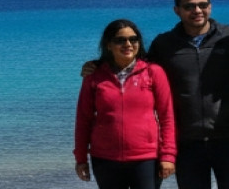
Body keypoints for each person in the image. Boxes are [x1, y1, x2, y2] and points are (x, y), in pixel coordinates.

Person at [147, 0, 229, 189]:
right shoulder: (164, 44)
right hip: (186, 142)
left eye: (202, 5)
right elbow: (141, 75)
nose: (197, 11)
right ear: (177, 10)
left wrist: (228, 91)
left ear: (210, 7)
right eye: (189, 6)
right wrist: (99, 65)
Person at [75, 19, 177, 189]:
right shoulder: (94, 76)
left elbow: (167, 117)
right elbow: (83, 120)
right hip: (105, 159)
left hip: (146, 158)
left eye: (133, 39)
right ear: (108, 45)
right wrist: (80, 158)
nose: (128, 44)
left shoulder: (153, 72)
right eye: (120, 40)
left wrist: (168, 155)